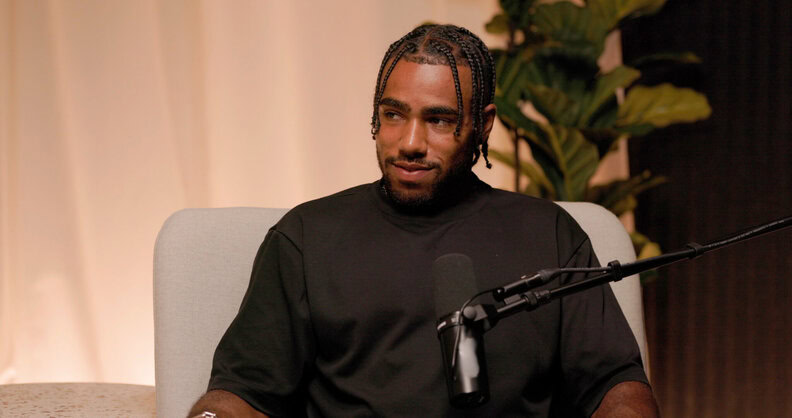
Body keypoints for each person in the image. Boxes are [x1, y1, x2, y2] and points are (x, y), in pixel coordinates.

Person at [189, 24, 659, 417]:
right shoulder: (307, 237)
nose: (410, 142)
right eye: (394, 115)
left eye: (438, 120)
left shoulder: (549, 234)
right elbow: (242, 393)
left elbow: (615, 385)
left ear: (483, 124)